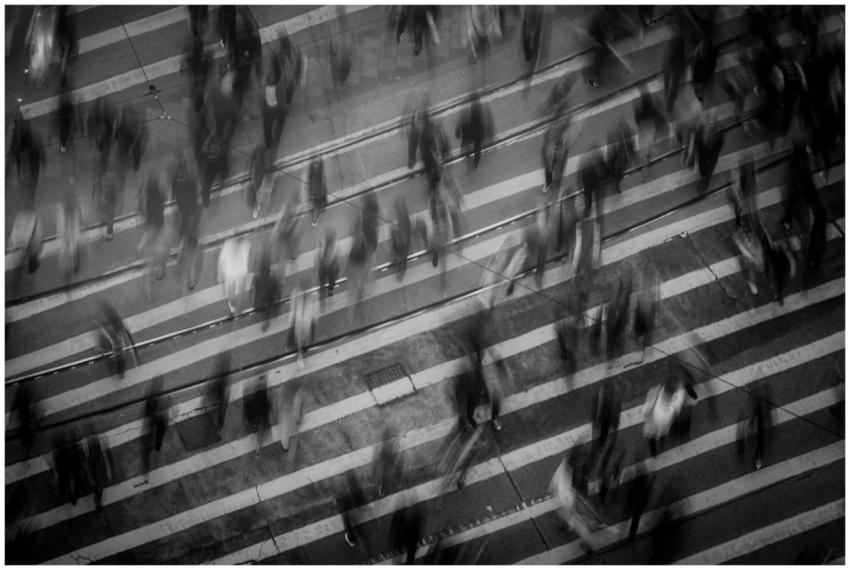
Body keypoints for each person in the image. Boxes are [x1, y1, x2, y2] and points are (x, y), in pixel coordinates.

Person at [642, 377, 691, 457]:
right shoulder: (677, 399)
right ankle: (657, 448)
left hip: (655, 424)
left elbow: (645, 410)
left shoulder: (655, 392)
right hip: (661, 425)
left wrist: (646, 418)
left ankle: (654, 450)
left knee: (653, 438)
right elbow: (676, 411)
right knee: (657, 437)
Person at [98, 301, 139, 379]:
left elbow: (116, 331)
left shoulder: (111, 323)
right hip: (117, 341)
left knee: (119, 357)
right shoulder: (114, 321)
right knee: (119, 356)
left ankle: (121, 372)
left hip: (117, 343)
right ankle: (121, 371)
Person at [455, 91, 493, 169]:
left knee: (471, 144)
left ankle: (469, 157)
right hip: (478, 131)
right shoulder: (479, 110)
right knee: (477, 147)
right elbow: (485, 120)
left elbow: (464, 120)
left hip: (474, 131)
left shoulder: (472, 111)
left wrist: (459, 130)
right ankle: (475, 162)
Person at [217, 236, 251, 314]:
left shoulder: (246, 243)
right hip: (230, 274)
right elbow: (221, 261)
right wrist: (220, 276)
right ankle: (232, 305)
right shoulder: (228, 245)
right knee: (231, 296)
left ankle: (238, 312)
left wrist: (246, 271)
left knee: (240, 297)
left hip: (241, 273)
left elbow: (247, 257)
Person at [288, 283, 318, 369]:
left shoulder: (311, 293)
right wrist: (291, 321)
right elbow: (293, 307)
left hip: (307, 320)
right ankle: (300, 355)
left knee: (306, 337)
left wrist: (314, 318)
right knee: (299, 339)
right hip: (299, 321)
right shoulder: (296, 292)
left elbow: (314, 306)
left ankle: (302, 350)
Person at [142, 377, 168, 474]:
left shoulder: (156, 395)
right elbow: (147, 412)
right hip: (155, 420)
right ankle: (147, 462)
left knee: (158, 435)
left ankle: (157, 447)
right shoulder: (152, 397)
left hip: (158, 420)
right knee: (150, 439)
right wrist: (158, 414)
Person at [85, 432, 115, 512]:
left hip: (96, 461)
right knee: (93, 445)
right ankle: (92, 435)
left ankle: (92, 436)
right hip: (97, 461)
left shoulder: (96, 485)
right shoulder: (97, 486)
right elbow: (89, 473)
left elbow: (89, 472)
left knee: (93, 445)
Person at [57, 190, 82, 281]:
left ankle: (72, 268)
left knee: (72, 253)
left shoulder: (68, 209)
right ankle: (73, 268)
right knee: (71, 253)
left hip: (71, 238)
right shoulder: (65, 210)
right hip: (69, 239)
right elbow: (62, 226)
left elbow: (62, 226)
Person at [606, 121, 636, 195]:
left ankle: (615, 183)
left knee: (619, 171)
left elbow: (631, 148)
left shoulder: (627, 137)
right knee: (614, 169)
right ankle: (614, 181)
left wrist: (633, 157)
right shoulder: (615, 135)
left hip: (620, 156)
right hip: (615, 155)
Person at [244, 375, 271, 453]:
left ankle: (260, 384)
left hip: (258, 412)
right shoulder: (255, 420)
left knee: (260, 397)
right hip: (258, 412)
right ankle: (260, 384)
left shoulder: (254, 420)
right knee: (260, 397)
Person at [276, 381, 306, 452]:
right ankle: (292, 443)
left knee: (285, 430)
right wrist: (300, 417)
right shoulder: (300, 390)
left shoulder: (284, 390)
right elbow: (301, 404)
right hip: (295, 414)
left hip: (286, 412)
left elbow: (280, 402)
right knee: (294, 429)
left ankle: (285, 447)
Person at [391, 197, 412, 280]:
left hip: (404, 233)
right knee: (403, 218)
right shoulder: (401, 254)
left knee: (402, 218)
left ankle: (400, 203)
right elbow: (396, 246)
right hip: (404, 233)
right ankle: (400, 203)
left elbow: (396, 246)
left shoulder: (402, 254)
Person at [317, 227, 340, 304]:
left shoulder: (324, 242)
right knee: (330, 280)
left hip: (326, 267)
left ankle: (325, 294)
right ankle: (329, 291)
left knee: (324, 280)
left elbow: (319, 254)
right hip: (330, 267)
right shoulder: (334, 245)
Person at [305, 157, 328, 226]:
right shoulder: (320, 209)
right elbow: (324, 199)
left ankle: (315, 162)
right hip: (317, 192)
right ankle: (317, 162)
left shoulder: (316, 210)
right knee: (317, 176)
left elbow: (311, 202)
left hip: (315, 192)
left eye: (314, 219)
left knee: (315, 176)